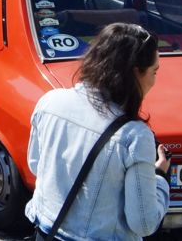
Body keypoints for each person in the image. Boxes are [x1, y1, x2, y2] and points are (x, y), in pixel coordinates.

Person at [23, 24, 170, 240]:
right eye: (154, 71)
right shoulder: (134, 136)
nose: (155, 80)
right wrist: (159, 178)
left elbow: (36, 165)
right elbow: (143, 222)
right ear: (135, 73)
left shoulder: (50, 102)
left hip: (46, 233)